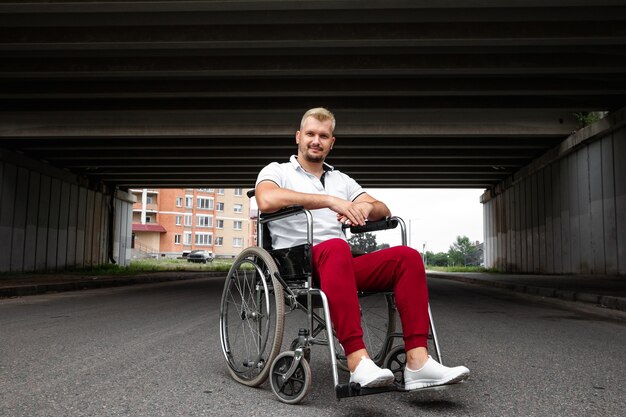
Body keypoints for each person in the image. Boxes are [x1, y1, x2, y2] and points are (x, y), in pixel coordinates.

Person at [255, 107, 470, 390]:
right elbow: (266, 199)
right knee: (335, 247)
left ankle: (418, 362)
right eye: (310, 134)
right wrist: (329, 201)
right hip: (297, 263)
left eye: (323, 136)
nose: (316, 140)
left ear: (332, 142)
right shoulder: (277, 171)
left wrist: (366, 206)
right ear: (298, 137)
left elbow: (383, 209)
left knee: (407, 257)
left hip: (339, 262)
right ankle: (357, 362)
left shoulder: (341, 180)